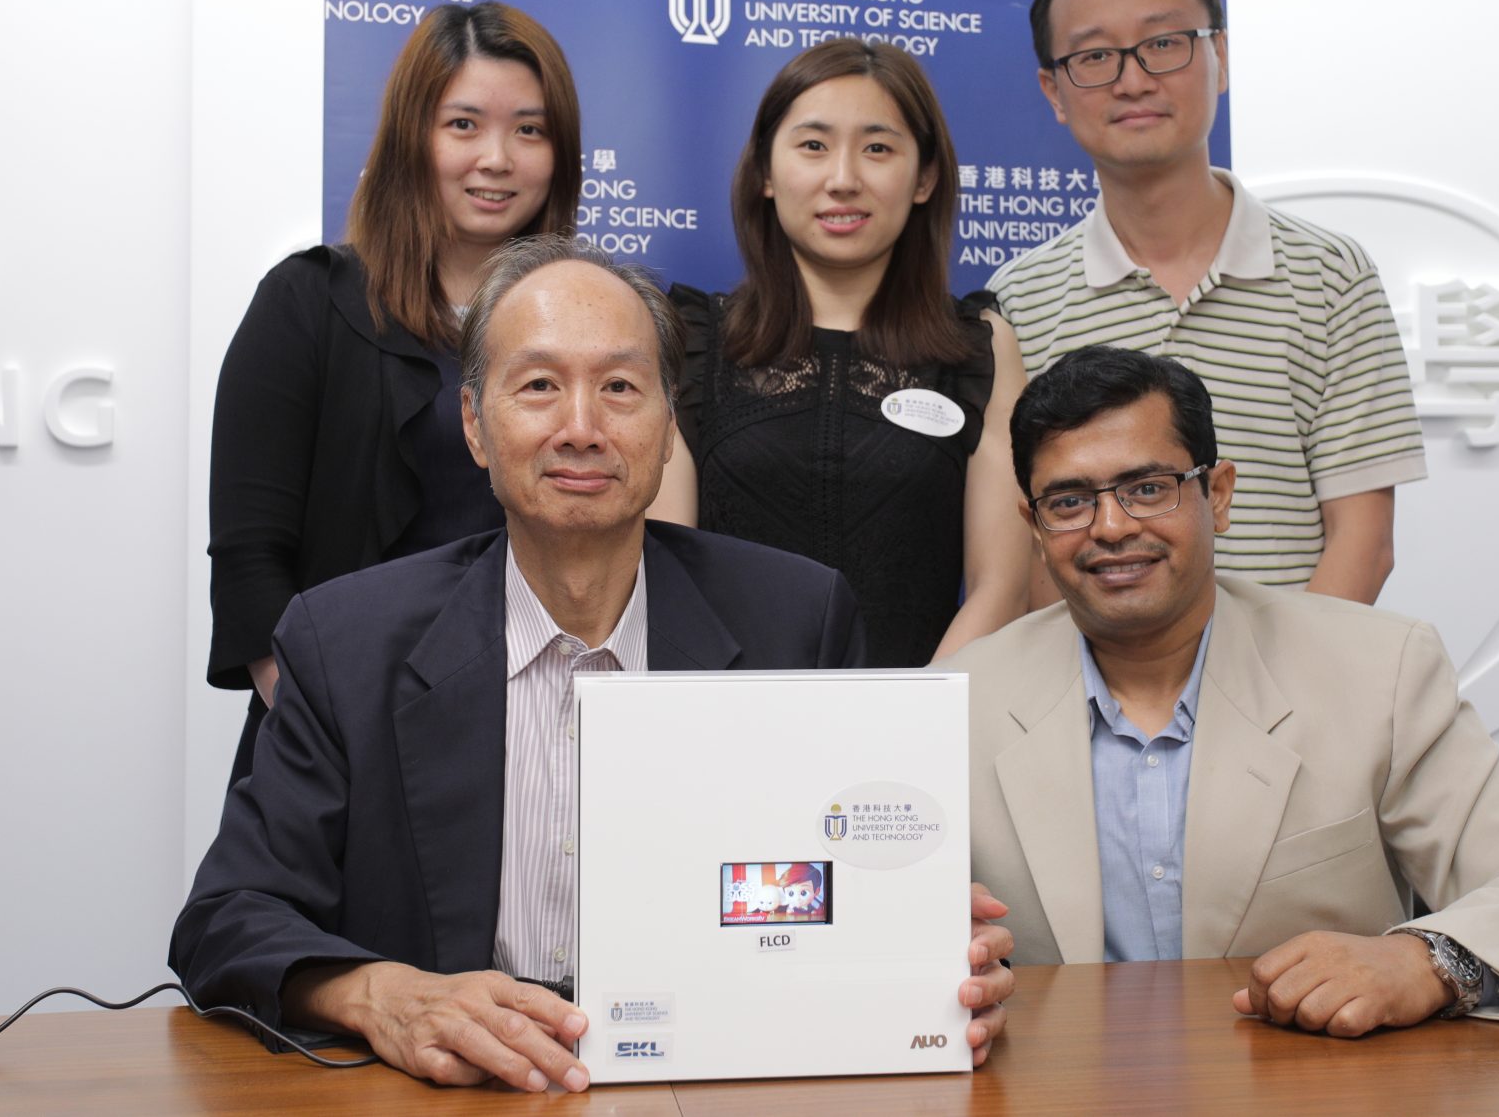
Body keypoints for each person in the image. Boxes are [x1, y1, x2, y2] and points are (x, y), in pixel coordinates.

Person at [173, 237, 1015, 1090]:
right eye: (538, 385)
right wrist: (383, 994)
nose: (581, 428)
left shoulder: (795, 618)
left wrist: (928, 956)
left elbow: (841, 888)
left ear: (668, 423)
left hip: (707, 1085)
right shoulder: (347, 639)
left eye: (620, 387)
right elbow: (226, 919)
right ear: (473, 424)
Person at [940, 346, 1499, 1034]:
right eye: (1069, 501)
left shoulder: (1375, 670)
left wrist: (1425, 961)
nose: (1111, 526)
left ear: (1216, 495)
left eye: (1148, 488)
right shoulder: (959, 700)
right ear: (1033, 526)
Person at [988, 0, 1425, 603]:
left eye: (1164, 43)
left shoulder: (1331, 277)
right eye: (1095, 55)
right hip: (1091, 702)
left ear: (1218, 54)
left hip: (1293, 697)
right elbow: (1033, 553)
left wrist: (1267, 700)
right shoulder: (1018, 301)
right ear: (1054, 89)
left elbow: (1363, 541)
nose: (1133, 79)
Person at [205, 1, 580, 777]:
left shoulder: (590, 324)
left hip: (538, 740)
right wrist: (339, 736)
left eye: (530, 130)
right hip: (337, 744)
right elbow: (250, 566)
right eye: (464, 124)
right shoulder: (308, 302)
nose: (498, 158)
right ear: (414, 135)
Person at [652, 39, 1030, 666]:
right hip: (724, 725)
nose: (844, 179)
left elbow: (1002, 588)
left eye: (878, 148)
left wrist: (907, 721)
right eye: (813, 145)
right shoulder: (691, 337)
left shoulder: (979, 348)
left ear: (925, 177)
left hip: (918, 734)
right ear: (767, 173)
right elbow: (666, 568)